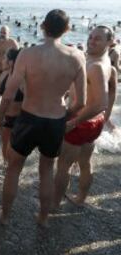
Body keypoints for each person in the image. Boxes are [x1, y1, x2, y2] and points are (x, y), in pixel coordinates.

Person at [0, 9, 87, 226]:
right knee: (47, 171)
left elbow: (8, 93)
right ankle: (43, 218)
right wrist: (65, 116)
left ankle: (5, 216)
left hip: (28, 118)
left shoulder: (28, 54)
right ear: (67, 29)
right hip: (55, 120)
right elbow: (81, 102)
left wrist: (1, 118)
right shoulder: (76, 57)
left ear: (42, 26)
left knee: (13, 168)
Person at [54, 26, 115, 209]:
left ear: (110, 42)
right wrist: (105, 119)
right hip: (94, 122)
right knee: (85, 162)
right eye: (90, 36)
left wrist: (73, 122)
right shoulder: (108, 64)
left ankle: (54, 204)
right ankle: (81, 198)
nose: (91, 41)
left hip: (81, 123)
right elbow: (113, 91)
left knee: (63, 164)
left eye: (98, 38)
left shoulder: (96, 66)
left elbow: (101, 102)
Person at [0, 48, 23, 164]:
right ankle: (10, 168)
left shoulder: (8, 75)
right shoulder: (23, 76)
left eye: (5, 57)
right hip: (17, 118)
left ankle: (7, 169)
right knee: (13, 148)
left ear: (11, 62)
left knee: (7, 146)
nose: (3, 60)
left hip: (8, 118)